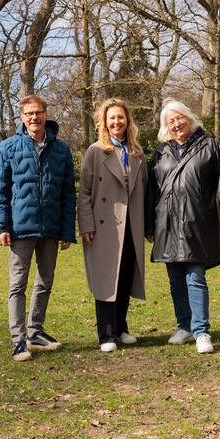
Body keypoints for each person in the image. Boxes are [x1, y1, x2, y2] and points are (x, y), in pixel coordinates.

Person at [145, 99, 220, 354]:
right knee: (176, 281)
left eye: (179, 118)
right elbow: (151, 191)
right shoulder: (160, 152)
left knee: (195, 278)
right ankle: (184, 327)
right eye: (170, 121)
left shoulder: (210, 146)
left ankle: (201, 331)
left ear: (189, 117)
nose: (176, 124)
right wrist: (149, 224)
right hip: (166, 224)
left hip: (197, 223)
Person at [0, 95, 76, 362]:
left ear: (45, 114)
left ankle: (35, 332)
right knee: (18, 285)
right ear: (22, 117)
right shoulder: (8, 147)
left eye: (38, 112)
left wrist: (66, 230)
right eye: (29, 113)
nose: (34, 117)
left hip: (50, 229)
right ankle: (19, 341)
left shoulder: (61, 150)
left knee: (45, 283)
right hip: (19, 229)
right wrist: (2, 226)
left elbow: (67, 194)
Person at [78, 99, 147, 353]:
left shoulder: (137, 152)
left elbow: (146, 192)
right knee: (107, 278)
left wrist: (147, 225)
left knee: (126, 276)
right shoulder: (95, 151)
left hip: (132, 224)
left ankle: (120, 327)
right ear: (104, 123)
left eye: (120, 117)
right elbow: (84, 192)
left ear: (127, 121)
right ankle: (106, 334)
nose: (116, 122)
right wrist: (86, 223)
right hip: (104, 225)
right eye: (111, 118)